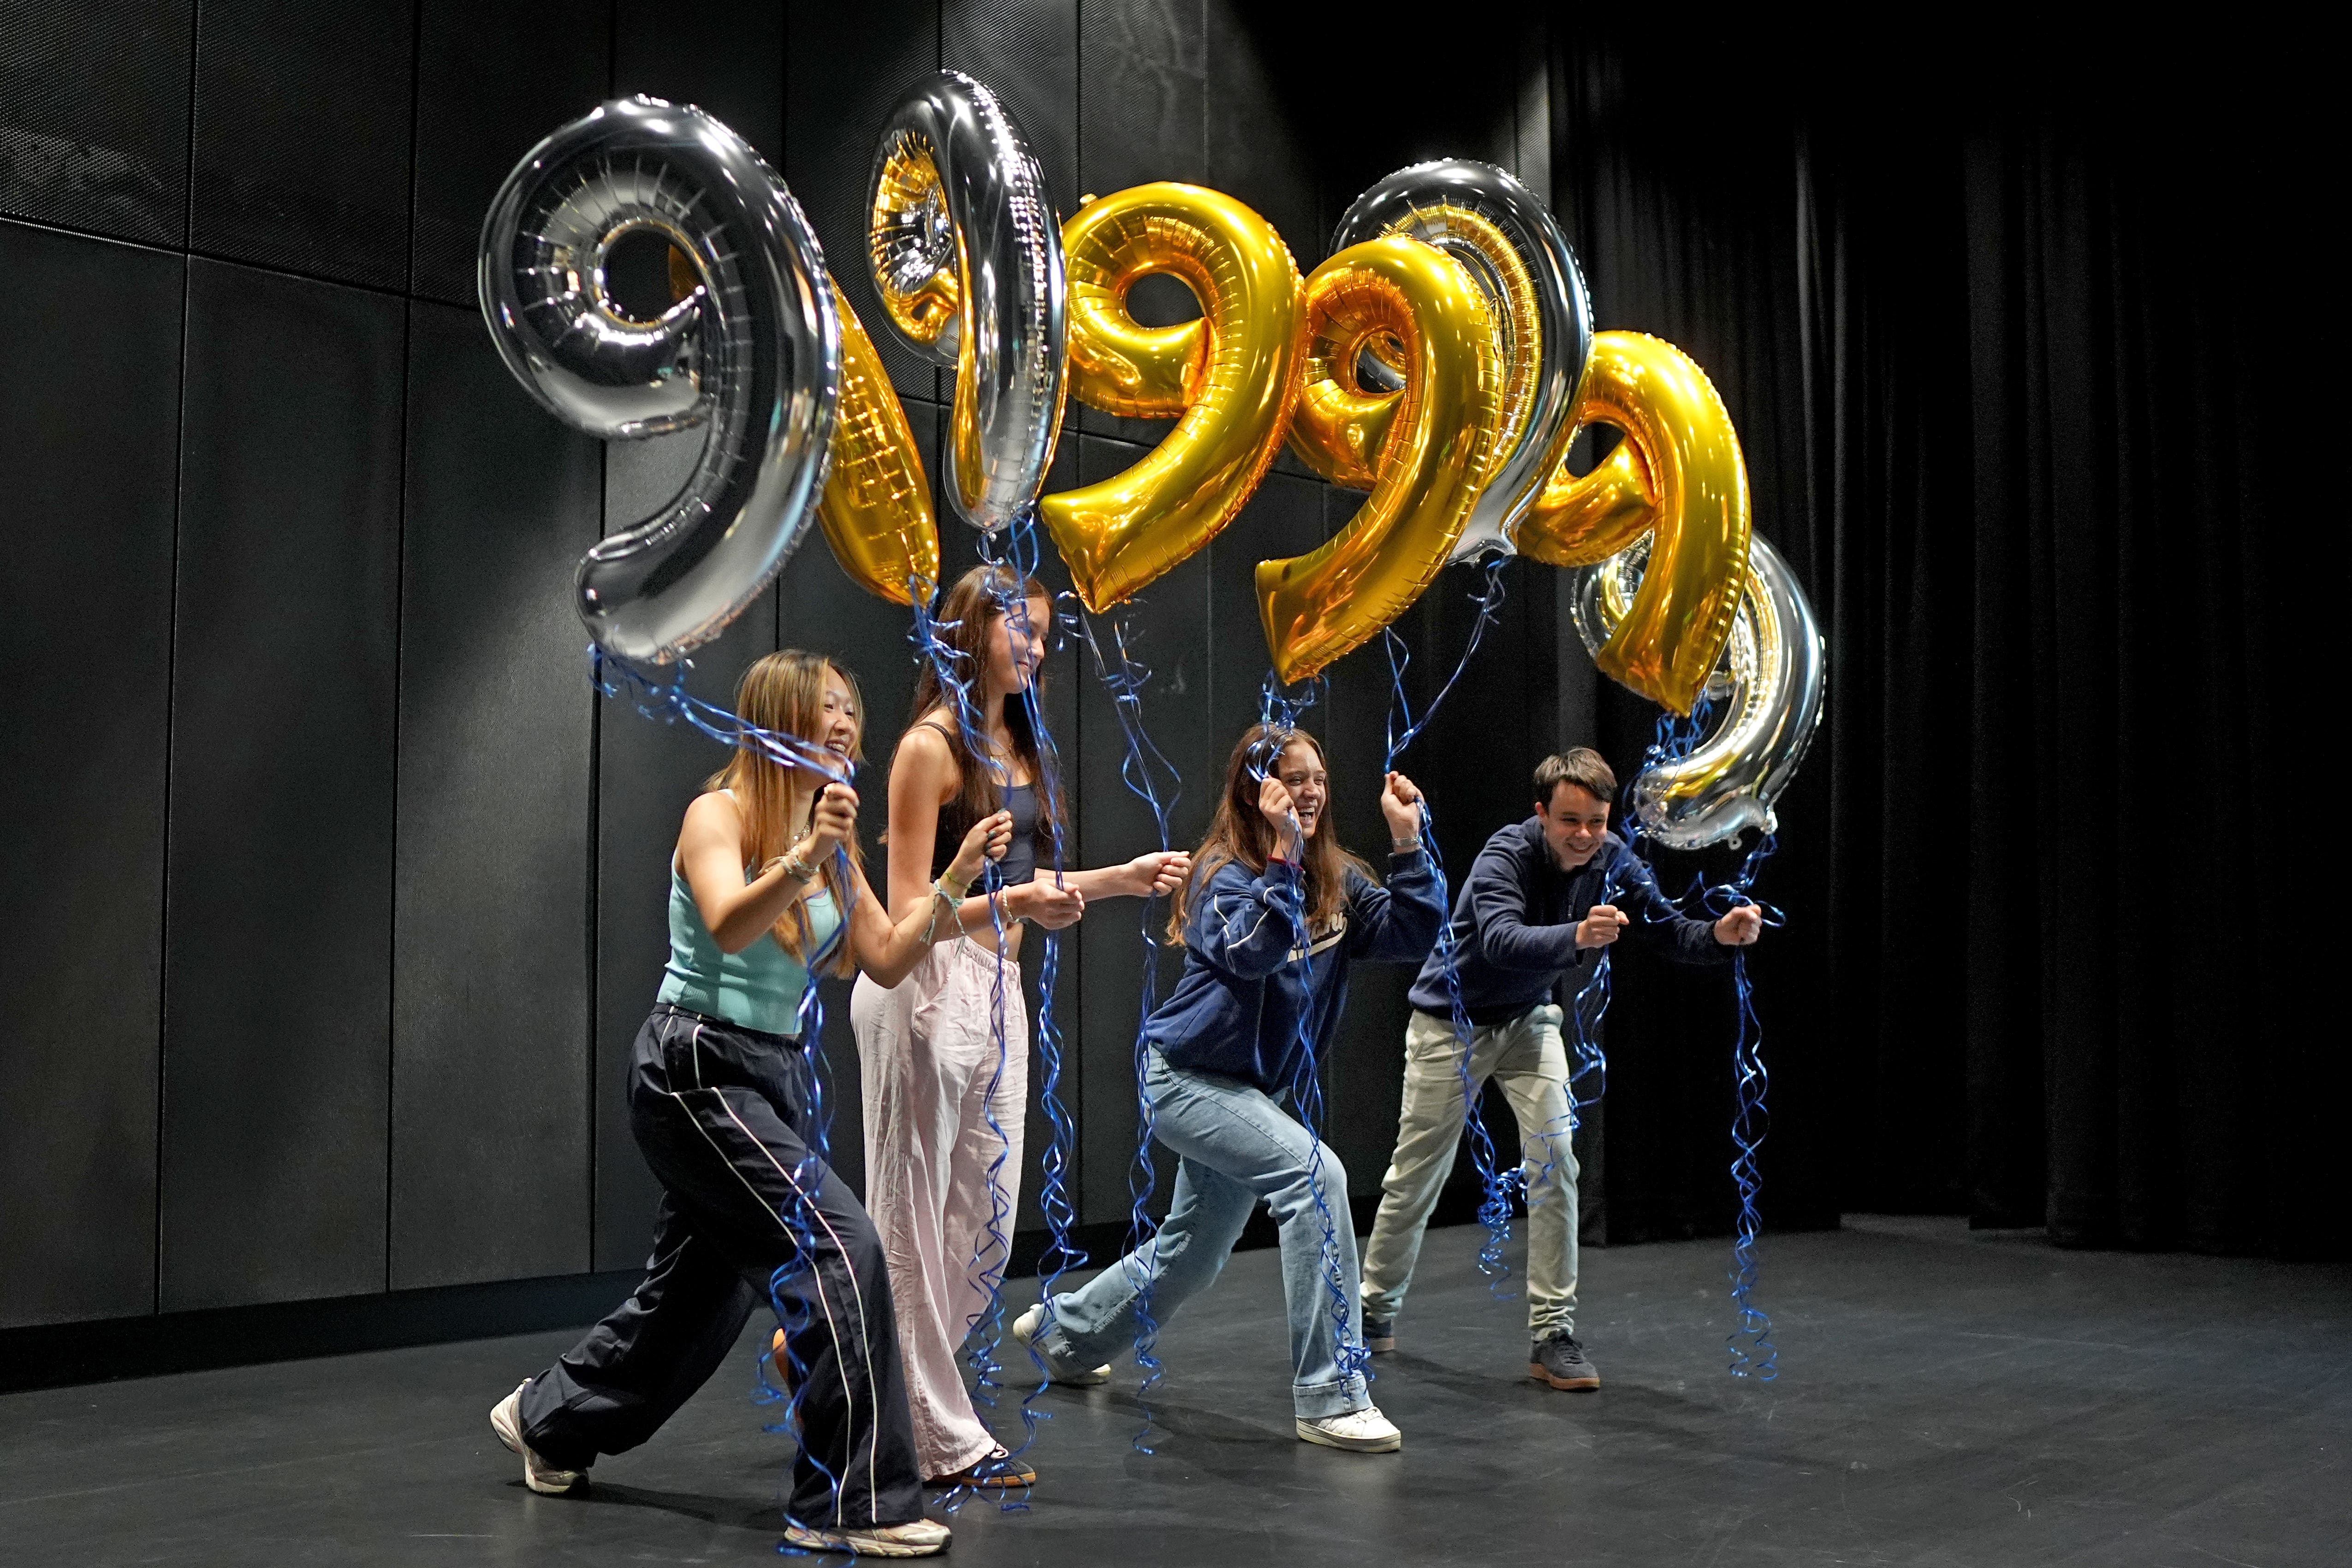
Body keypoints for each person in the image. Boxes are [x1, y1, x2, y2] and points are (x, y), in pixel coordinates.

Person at [489, 650, 1022, 1560]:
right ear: (778, 717)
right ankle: (847, 1502)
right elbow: (731, 919)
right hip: (693, 1065)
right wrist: (804, 855)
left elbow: (886, 957)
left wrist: (960, 876)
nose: (849, 724)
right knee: (843, 1247)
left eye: (853, 708)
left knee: (698, 1298)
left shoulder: (835, 846)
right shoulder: (720, 812)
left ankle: (552, 1419)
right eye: (829, 708)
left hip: (762, 1074)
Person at [1011, 722, 1443, 1453]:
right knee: (1316, 1175)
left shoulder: (1339, 877)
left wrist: (1408, 844)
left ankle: (1067, 1332)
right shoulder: (1222, 875)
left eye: (1316, 780)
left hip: (1247, 1095)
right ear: (1255, 790)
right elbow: (1251, 955)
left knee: (1195, 1249)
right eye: (1289, 779)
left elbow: (1410, 935)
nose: (1306, 792)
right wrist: (1282, 857)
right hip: (1183, 1080)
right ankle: (1331, 1393)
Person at [853, 564, 1189, 1489]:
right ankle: (939, 1434)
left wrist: (1117, 879)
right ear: (970, 634)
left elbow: (1031, 894)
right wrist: (1015, 899)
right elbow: (908, 908)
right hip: (922, 983)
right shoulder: (930, 747)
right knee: (913, 1219)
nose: (1034, 648)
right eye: (1019, 631)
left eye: (1042, 632)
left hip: (995, 981)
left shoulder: (1022, 744)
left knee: (987, 1222)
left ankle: (837, 1339)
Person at [1356, 747, 1764, 1392]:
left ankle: (1552, 1333)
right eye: (1570, 820)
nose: (1584, 835)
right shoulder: (1505, 855)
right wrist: (1577, 935)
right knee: (1416, 1179)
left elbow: (1662, 928)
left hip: (1528, 1021)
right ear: (1541, 813)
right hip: (1450, 1022)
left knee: (1557, 1161)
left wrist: (1719, 935)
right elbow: (1501, 940)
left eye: (1597, 822)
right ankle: (1372, 1312)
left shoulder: (1612, 858)